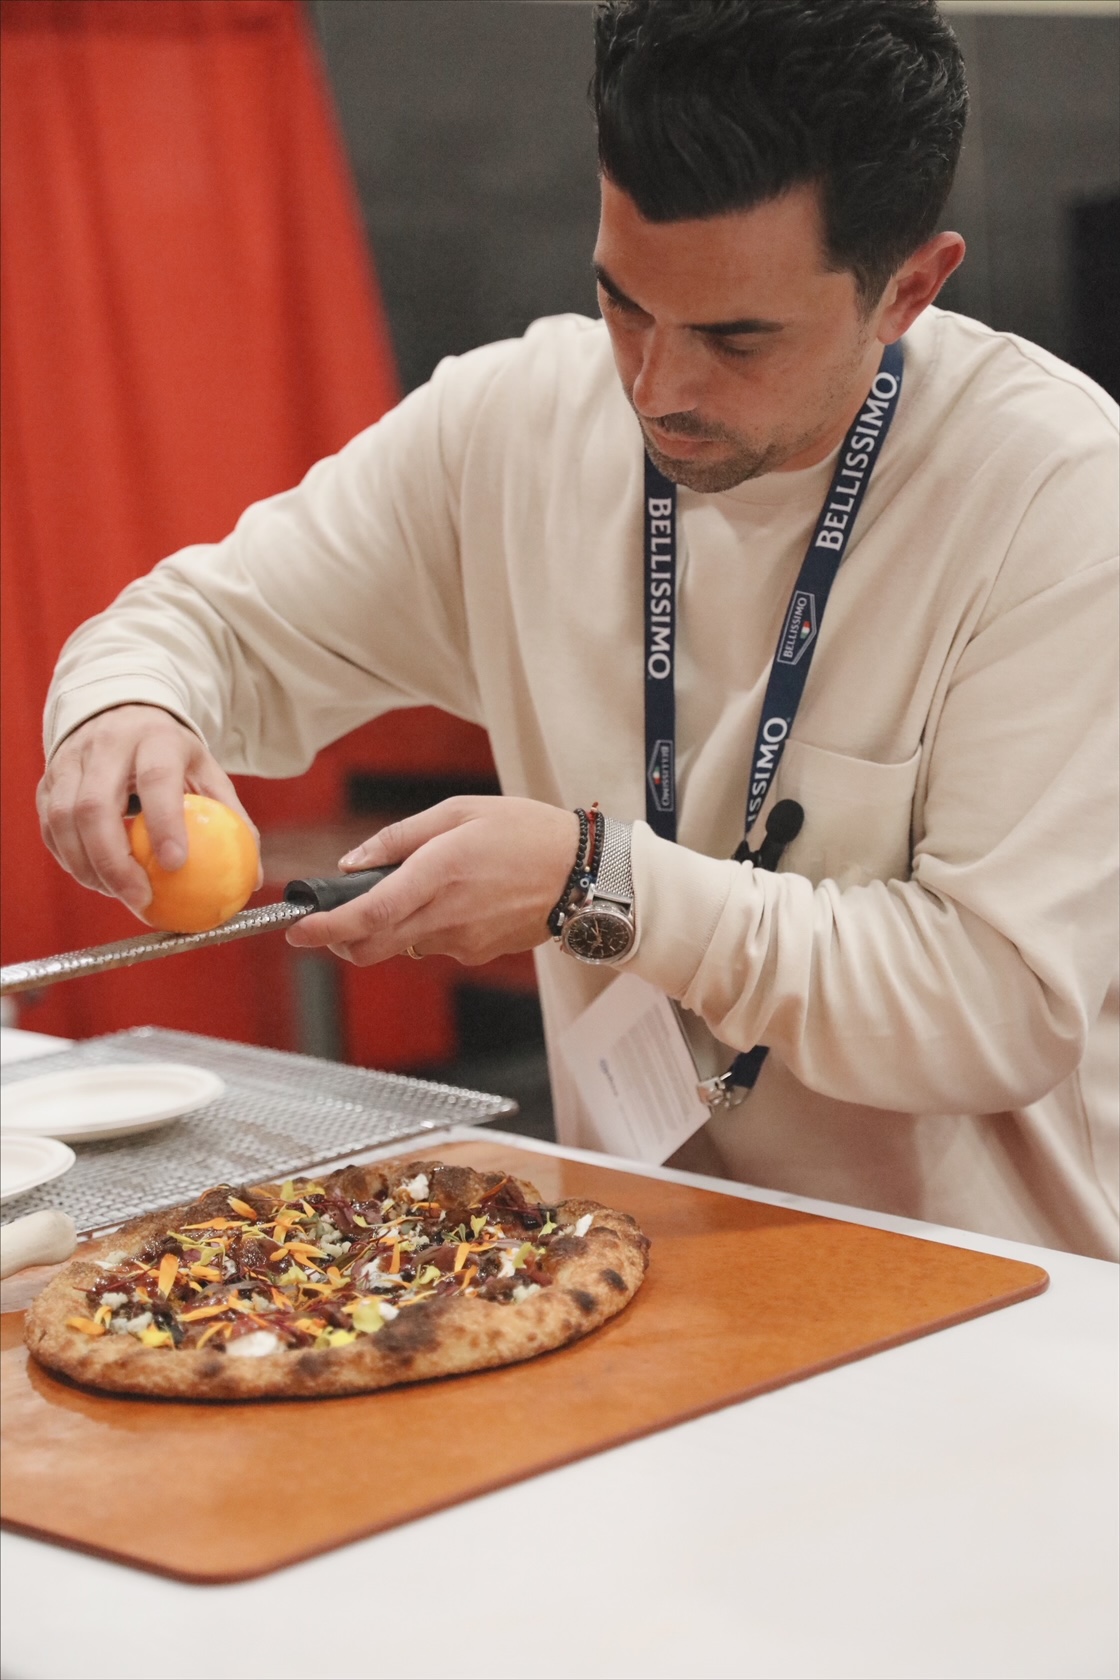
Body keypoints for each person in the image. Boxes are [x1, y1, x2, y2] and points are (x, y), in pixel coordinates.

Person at [36, 0, 1118, 1258]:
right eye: (625, 303)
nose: (657, 388)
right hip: (628, 1267)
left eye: (736, 337)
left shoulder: (1054, 494)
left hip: (998, 1299)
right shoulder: (513, 423)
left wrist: (595, 881)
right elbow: (199, 625)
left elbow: (992, 1007)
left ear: (910, 290)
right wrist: (124, 707)